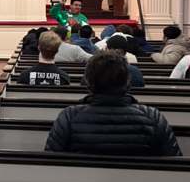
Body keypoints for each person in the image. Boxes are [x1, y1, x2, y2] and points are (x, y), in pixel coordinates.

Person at [45, 51, 181, 156]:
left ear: (88, 82)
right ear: (127, 82)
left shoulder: (69, 117)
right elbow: (175, 163)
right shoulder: (152, 117)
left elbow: (50, 163)